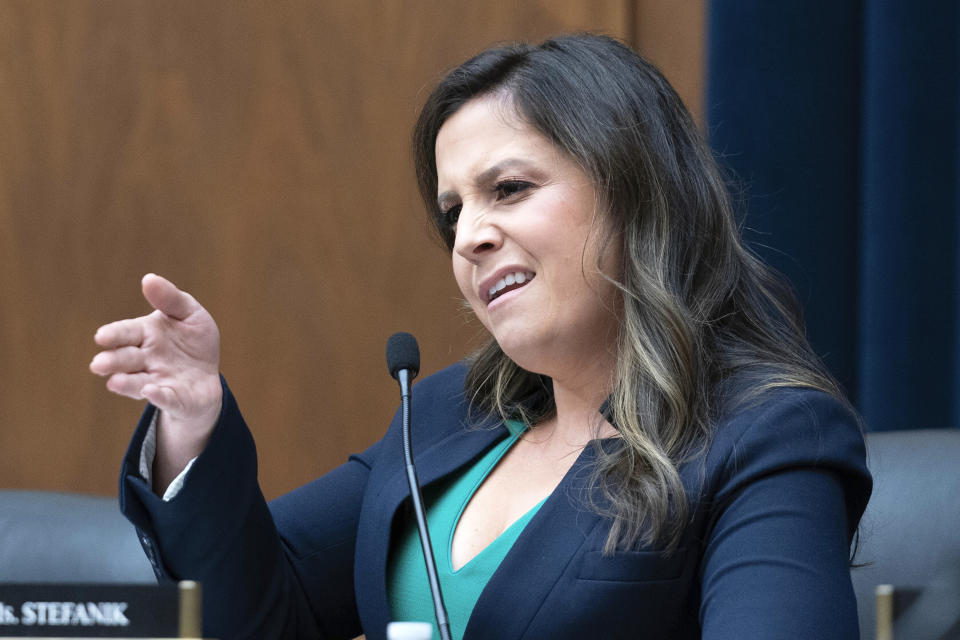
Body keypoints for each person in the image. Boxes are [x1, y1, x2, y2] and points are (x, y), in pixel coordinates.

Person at [90, 34, 871, 640]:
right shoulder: (444, 417)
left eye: (509, 190)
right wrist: (192, 424)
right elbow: (264, 611)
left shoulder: (768, 437)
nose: (469, 237)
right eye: (453, 213)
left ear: (638, 195)